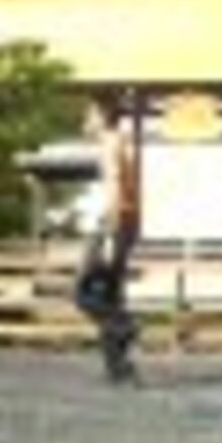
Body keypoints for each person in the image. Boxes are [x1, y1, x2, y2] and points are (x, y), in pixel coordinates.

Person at [74, 95, 140, 385]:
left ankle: (125, 325)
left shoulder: (110, 144)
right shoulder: (120, 142)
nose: (85, 121)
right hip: (126, 221)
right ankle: (118, 367)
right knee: (109, 294)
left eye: (89, 115)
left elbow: (114, 187)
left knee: (83, 292)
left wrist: (110, 231)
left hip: (113, 223)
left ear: (102, 117)